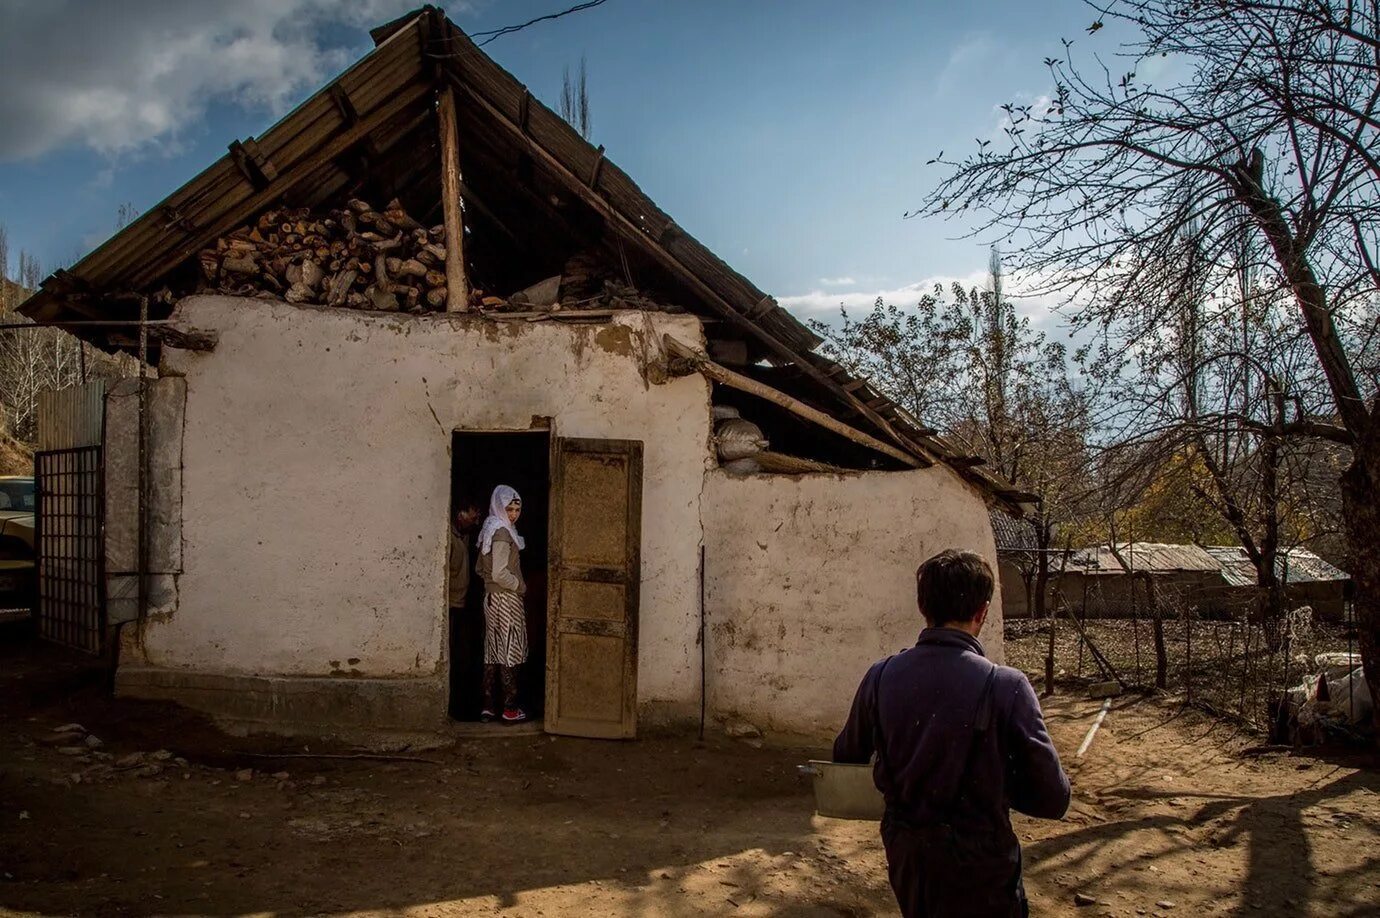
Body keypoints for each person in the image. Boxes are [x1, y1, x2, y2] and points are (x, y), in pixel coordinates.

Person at [833, 549, 1070, 918]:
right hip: (983, 864)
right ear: (982, 612)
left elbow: (845, 758)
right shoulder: (1006, 686)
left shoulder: (880, 677)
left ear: (922, 606)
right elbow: (1053, 799)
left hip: (909, 858)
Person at [476, 484, 529, 724]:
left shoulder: (489, 528)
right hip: (506, 599)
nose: (514, 514)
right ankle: (509, 708)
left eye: (517, 509)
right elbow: (499, 574)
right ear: (500, 507)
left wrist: (491, 585)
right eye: (509, 508)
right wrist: (519, 585)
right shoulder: (502, 534)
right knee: (511, 651)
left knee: (493, 650)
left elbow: (480, 569)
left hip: (490, 598)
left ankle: (488, 707)